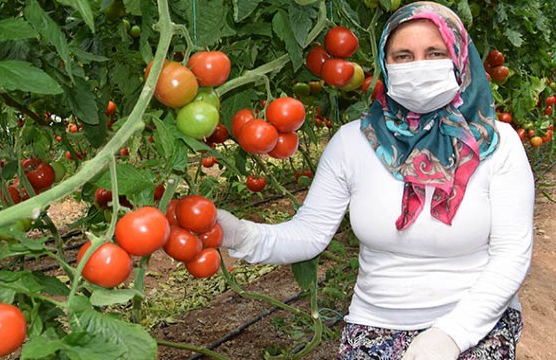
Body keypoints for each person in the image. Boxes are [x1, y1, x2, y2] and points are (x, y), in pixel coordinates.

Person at [217, 1, 535, 359]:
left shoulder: (497, 144)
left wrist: (452, 334)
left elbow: (512, 254)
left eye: (435, 53)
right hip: (374, 322)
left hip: (478, 321)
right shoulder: (354, 142)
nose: (419, 66)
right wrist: (240, 235)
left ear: (460, 57)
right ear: (385, 64)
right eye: (403, 56)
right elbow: (309, 234)